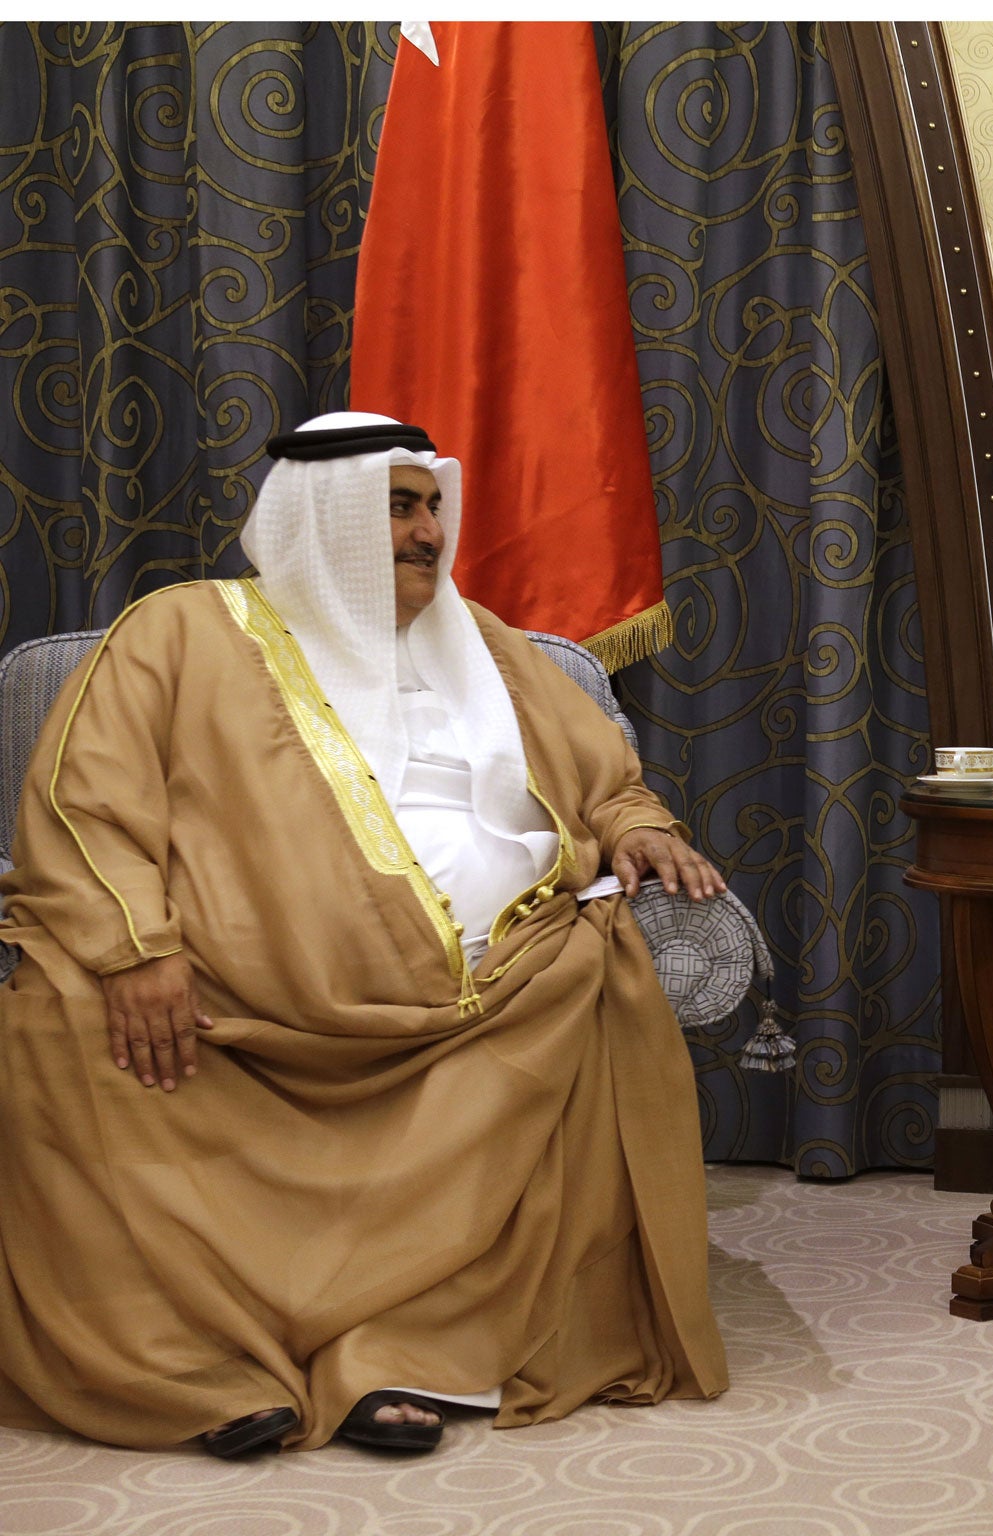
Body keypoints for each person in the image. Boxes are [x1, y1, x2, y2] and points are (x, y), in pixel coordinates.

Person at [0, 412, 730, 1455]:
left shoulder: (481, 644)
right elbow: (85, 803)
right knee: (59, 1016)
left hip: (497, 991)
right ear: (325, 514)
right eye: (399, 507)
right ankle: (194, 1365)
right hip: (226, 997)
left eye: (434, 507)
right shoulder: (183, 630)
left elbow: (599, 771)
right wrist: (136, 949)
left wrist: (635, 826)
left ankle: (397, 1350)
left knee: (586, 972)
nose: (429, 532)